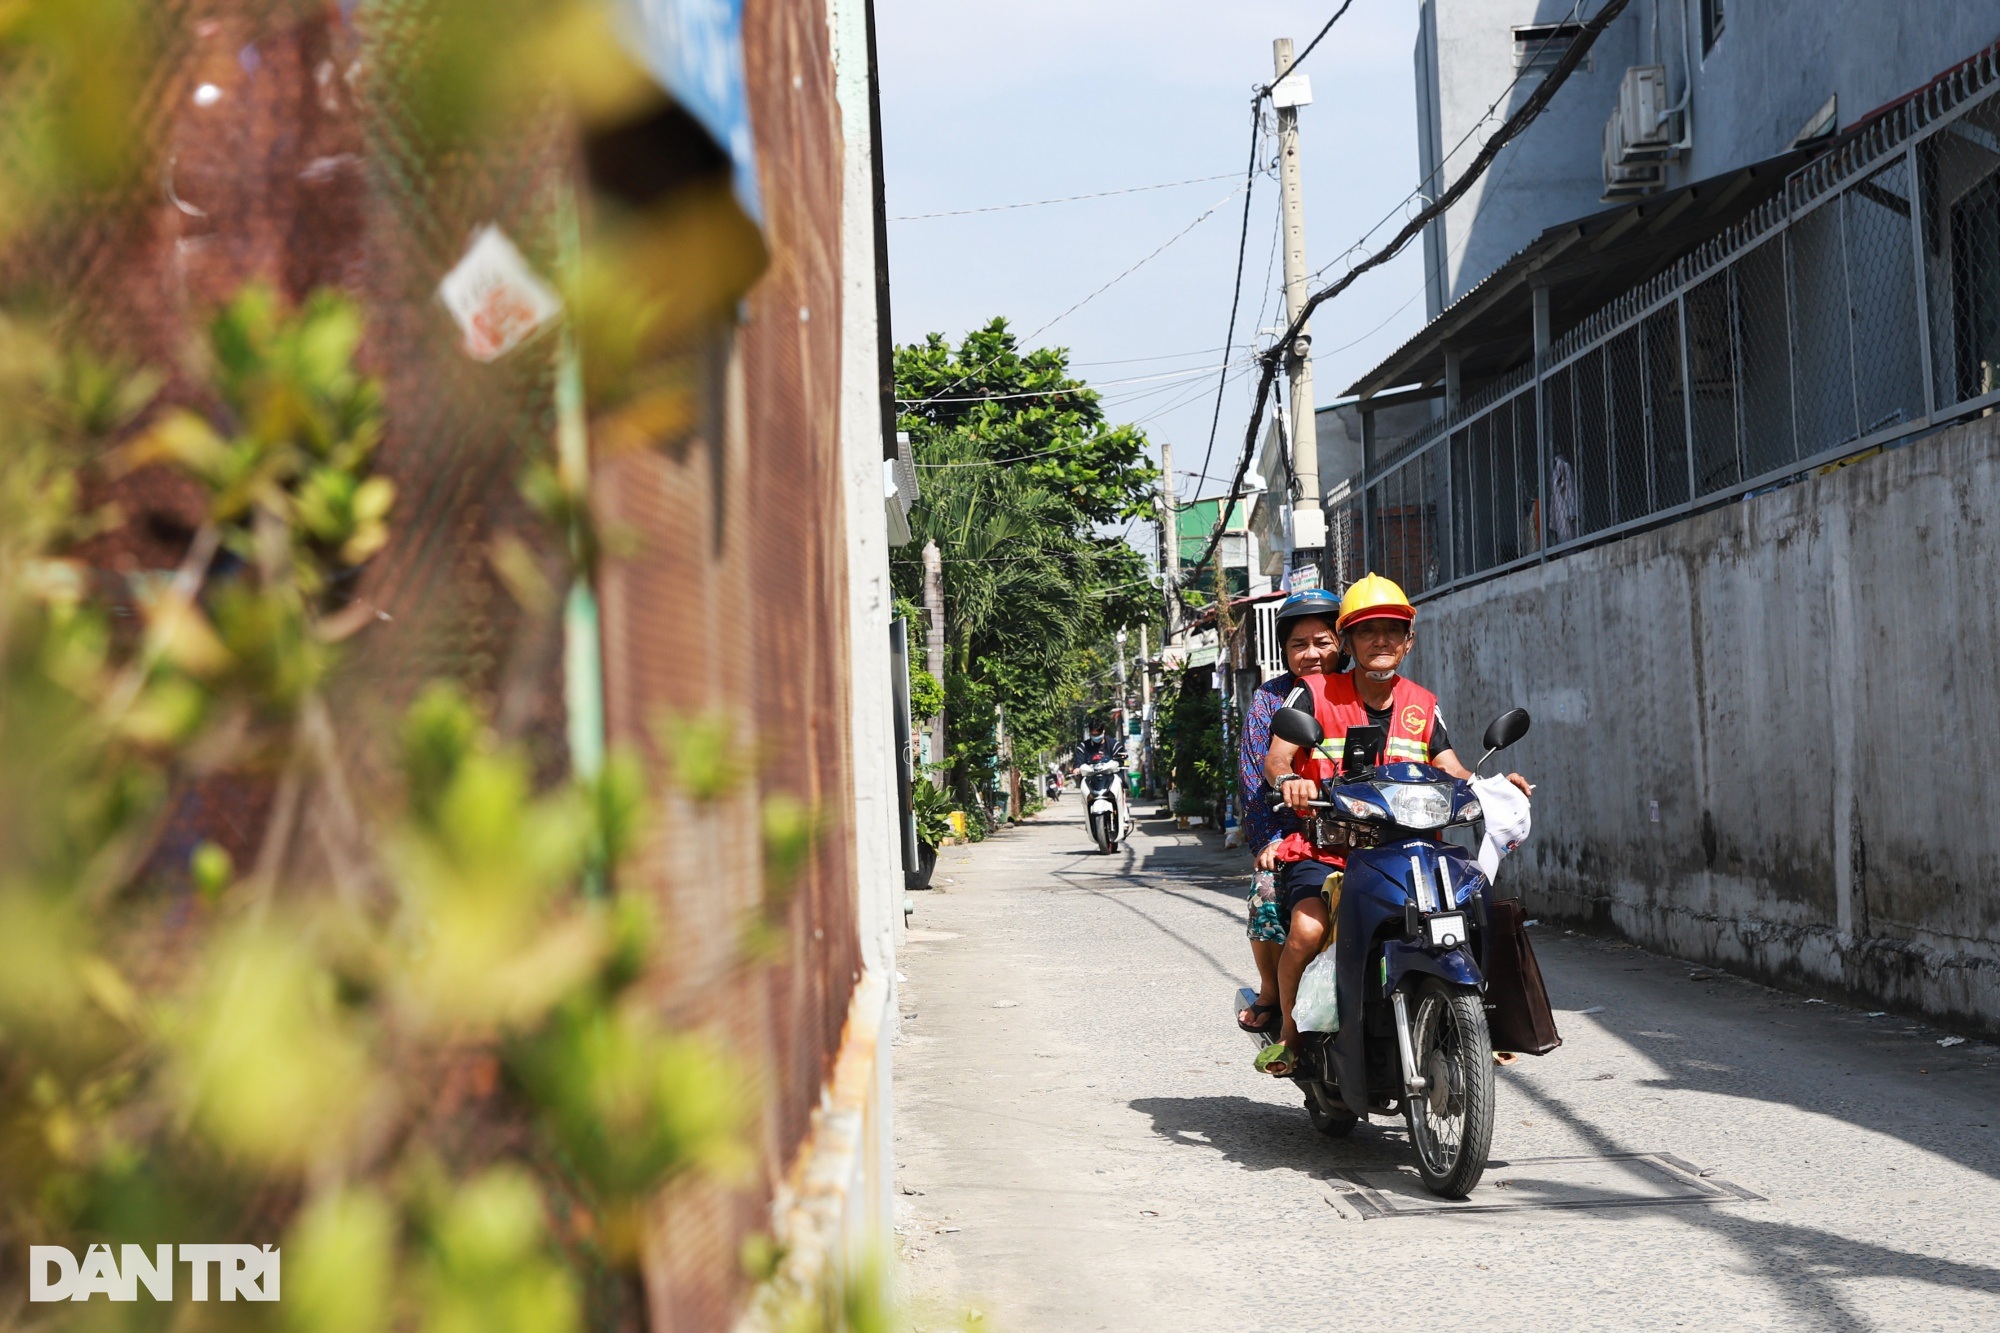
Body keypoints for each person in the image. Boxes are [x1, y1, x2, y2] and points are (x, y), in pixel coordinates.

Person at [1255, 573, 1531, 1077]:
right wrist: (1290, 780)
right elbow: (1276, 759)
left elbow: (1451, 768)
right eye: (1367, 631)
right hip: (1329, 850)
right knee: (1307, 929)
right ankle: (1292, 1035)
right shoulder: (1314, 693)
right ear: (1348, 642)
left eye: (1392, 630)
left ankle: (1479, 1023)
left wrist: (1495, 787)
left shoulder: (1422, 704)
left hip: (1409, 850)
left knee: (1476, 910)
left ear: (1409, 640)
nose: (1380, 640)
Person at [1234, 587, 1343, 1035]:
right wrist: (1270, 840)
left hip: (1363, 829)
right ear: (1284, 651)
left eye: (1323, 642)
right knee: (1267, 894)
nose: (1312, 654)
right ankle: (1271, 993)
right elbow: (1255, 773)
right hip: (1294, 833)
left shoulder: (1363, 691)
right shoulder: (1270, 698)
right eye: (1299, 645)